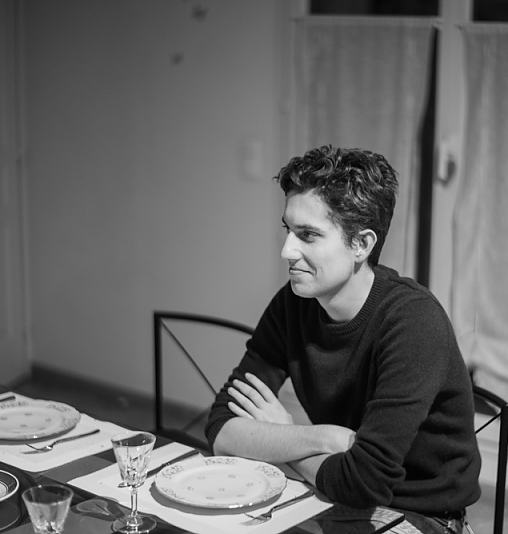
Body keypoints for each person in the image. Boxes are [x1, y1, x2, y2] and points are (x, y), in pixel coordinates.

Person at [205, 145, 481, 534]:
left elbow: (364, 482)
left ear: (361, 245)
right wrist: (322, 438)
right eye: (288, 230)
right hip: (330, 494)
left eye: (308, 235)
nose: (286, 250)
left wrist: (282, 440)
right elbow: (221, 427)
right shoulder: (294, 303)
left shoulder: (414, 321)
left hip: (420, 516)